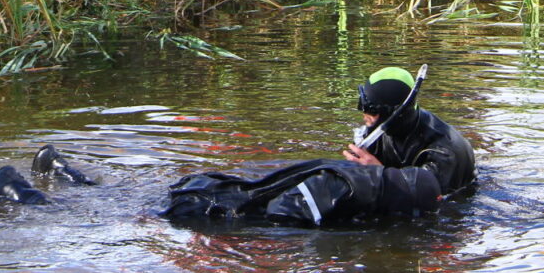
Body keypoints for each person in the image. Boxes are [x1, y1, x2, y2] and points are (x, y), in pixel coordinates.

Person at [160, 64, 476, 226]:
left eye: (372, 110)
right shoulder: (385, 128)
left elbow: (435, 201)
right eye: (362, 106)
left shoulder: (441, 151)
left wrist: (378, 172)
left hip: (457, 204)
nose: (365, 116)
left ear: (396, 113)